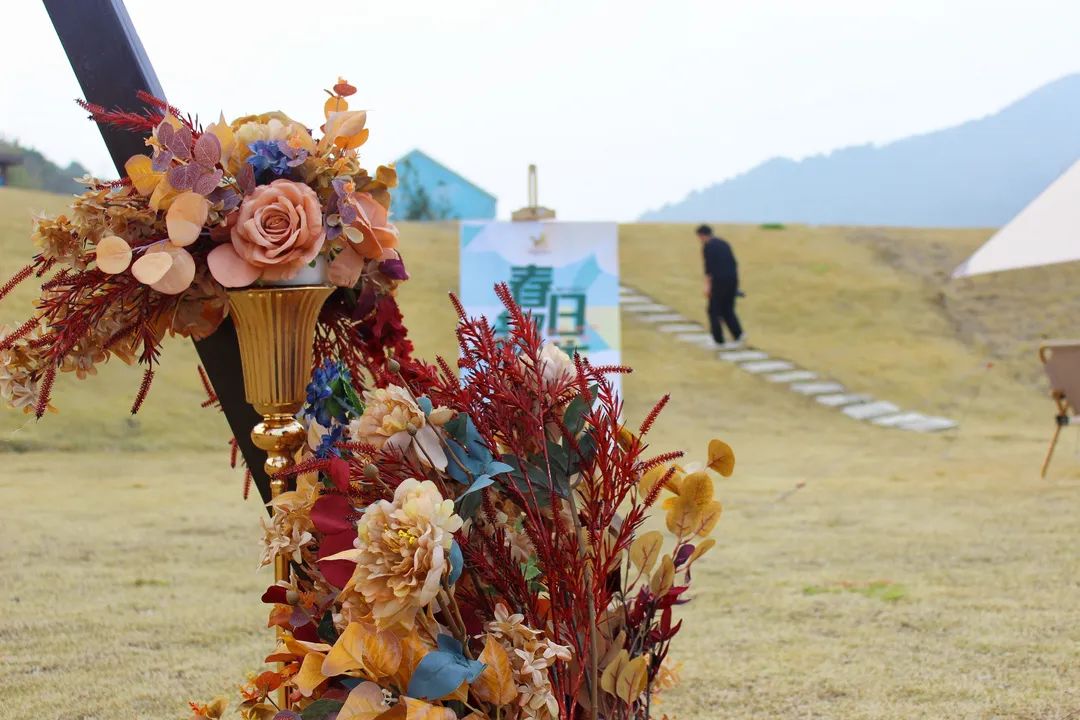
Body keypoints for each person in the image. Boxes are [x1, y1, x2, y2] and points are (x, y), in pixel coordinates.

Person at [697, 224, 744, 348]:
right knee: (727, 309)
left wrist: (707, 286)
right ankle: (738, 334)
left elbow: (709, 269)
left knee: (713, 310)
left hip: (719, 281)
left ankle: (718, 340)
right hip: (732, 279)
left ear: (701, 235)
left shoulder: (708, 247)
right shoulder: (724, 243)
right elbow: (734, 263)